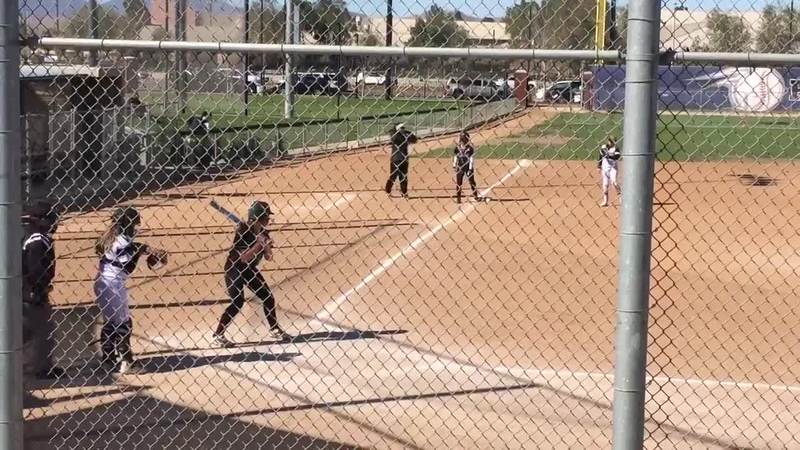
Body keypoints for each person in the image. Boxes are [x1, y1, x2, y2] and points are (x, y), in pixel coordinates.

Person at [94, 207, 166, 374]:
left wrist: (142, 249)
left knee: (112, 321)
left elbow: (133, 249)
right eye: (134, 225)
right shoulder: (122, 243)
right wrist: (140, 252)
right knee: (124, 323)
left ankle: (108, 359)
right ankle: (127, 362)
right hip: (113, 285)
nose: (135, 228)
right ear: (127, 224)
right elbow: (128, 267)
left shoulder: (113, 238)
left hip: (104, 283)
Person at [212, 201, 290, 347]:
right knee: (238, 302)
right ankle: (218, 335)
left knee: (268, 297)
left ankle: (274, 329)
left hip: (249, 269)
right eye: (266, 217)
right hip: (234, 268)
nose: (268, 220)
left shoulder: (263, 233)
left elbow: (269, 257)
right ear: (258, 218)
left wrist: (266, 246)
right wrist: (258, 245)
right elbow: (244, 257)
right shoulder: (243, 231)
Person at [22, 201, 64, 379]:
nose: (55, 222)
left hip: (26, 292)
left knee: (29, 330)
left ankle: (33, 366)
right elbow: (35, 270)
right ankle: (41, 369)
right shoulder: (38, 241)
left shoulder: (31, 236)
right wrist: (39, 290)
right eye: (51, 219)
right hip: (32, 293)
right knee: (43, 330)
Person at [384, 123, 418, 199]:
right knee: (393, 176)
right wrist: (399, 132)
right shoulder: (395, 135)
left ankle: (404, 193)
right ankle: (387, 190)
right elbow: (394, 137)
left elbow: (415, 140)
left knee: (403, 177)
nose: (402, 129)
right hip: (395, 159)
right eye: (401, 128)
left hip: (404, 159)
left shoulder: (405, 135)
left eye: (403, 128)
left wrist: (408, 132)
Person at [453, 131, 481, 204]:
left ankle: (475, 195)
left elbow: (471, 158)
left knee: (472, 181)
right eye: (462, 139)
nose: (463, 141)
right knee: (459, 183)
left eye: (464, 139)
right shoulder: (457, 148)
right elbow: (456, 156)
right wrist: (454, 164)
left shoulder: (470, 148)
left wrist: (470, 168)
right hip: (460, 167)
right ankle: (458, 198)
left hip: (468, 167)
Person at [598, 136, 622, 207]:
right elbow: (600, 156)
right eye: (610, 141)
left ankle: (621, 197)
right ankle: (605, 201)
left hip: (613, 168)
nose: (611, 143)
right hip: (605, 168)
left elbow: (617, 157)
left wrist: (608, 156)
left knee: (614, 182)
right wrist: (599, 166)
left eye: (612, 141)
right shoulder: (603, 147)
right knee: (605, 185)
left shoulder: (616, 148)